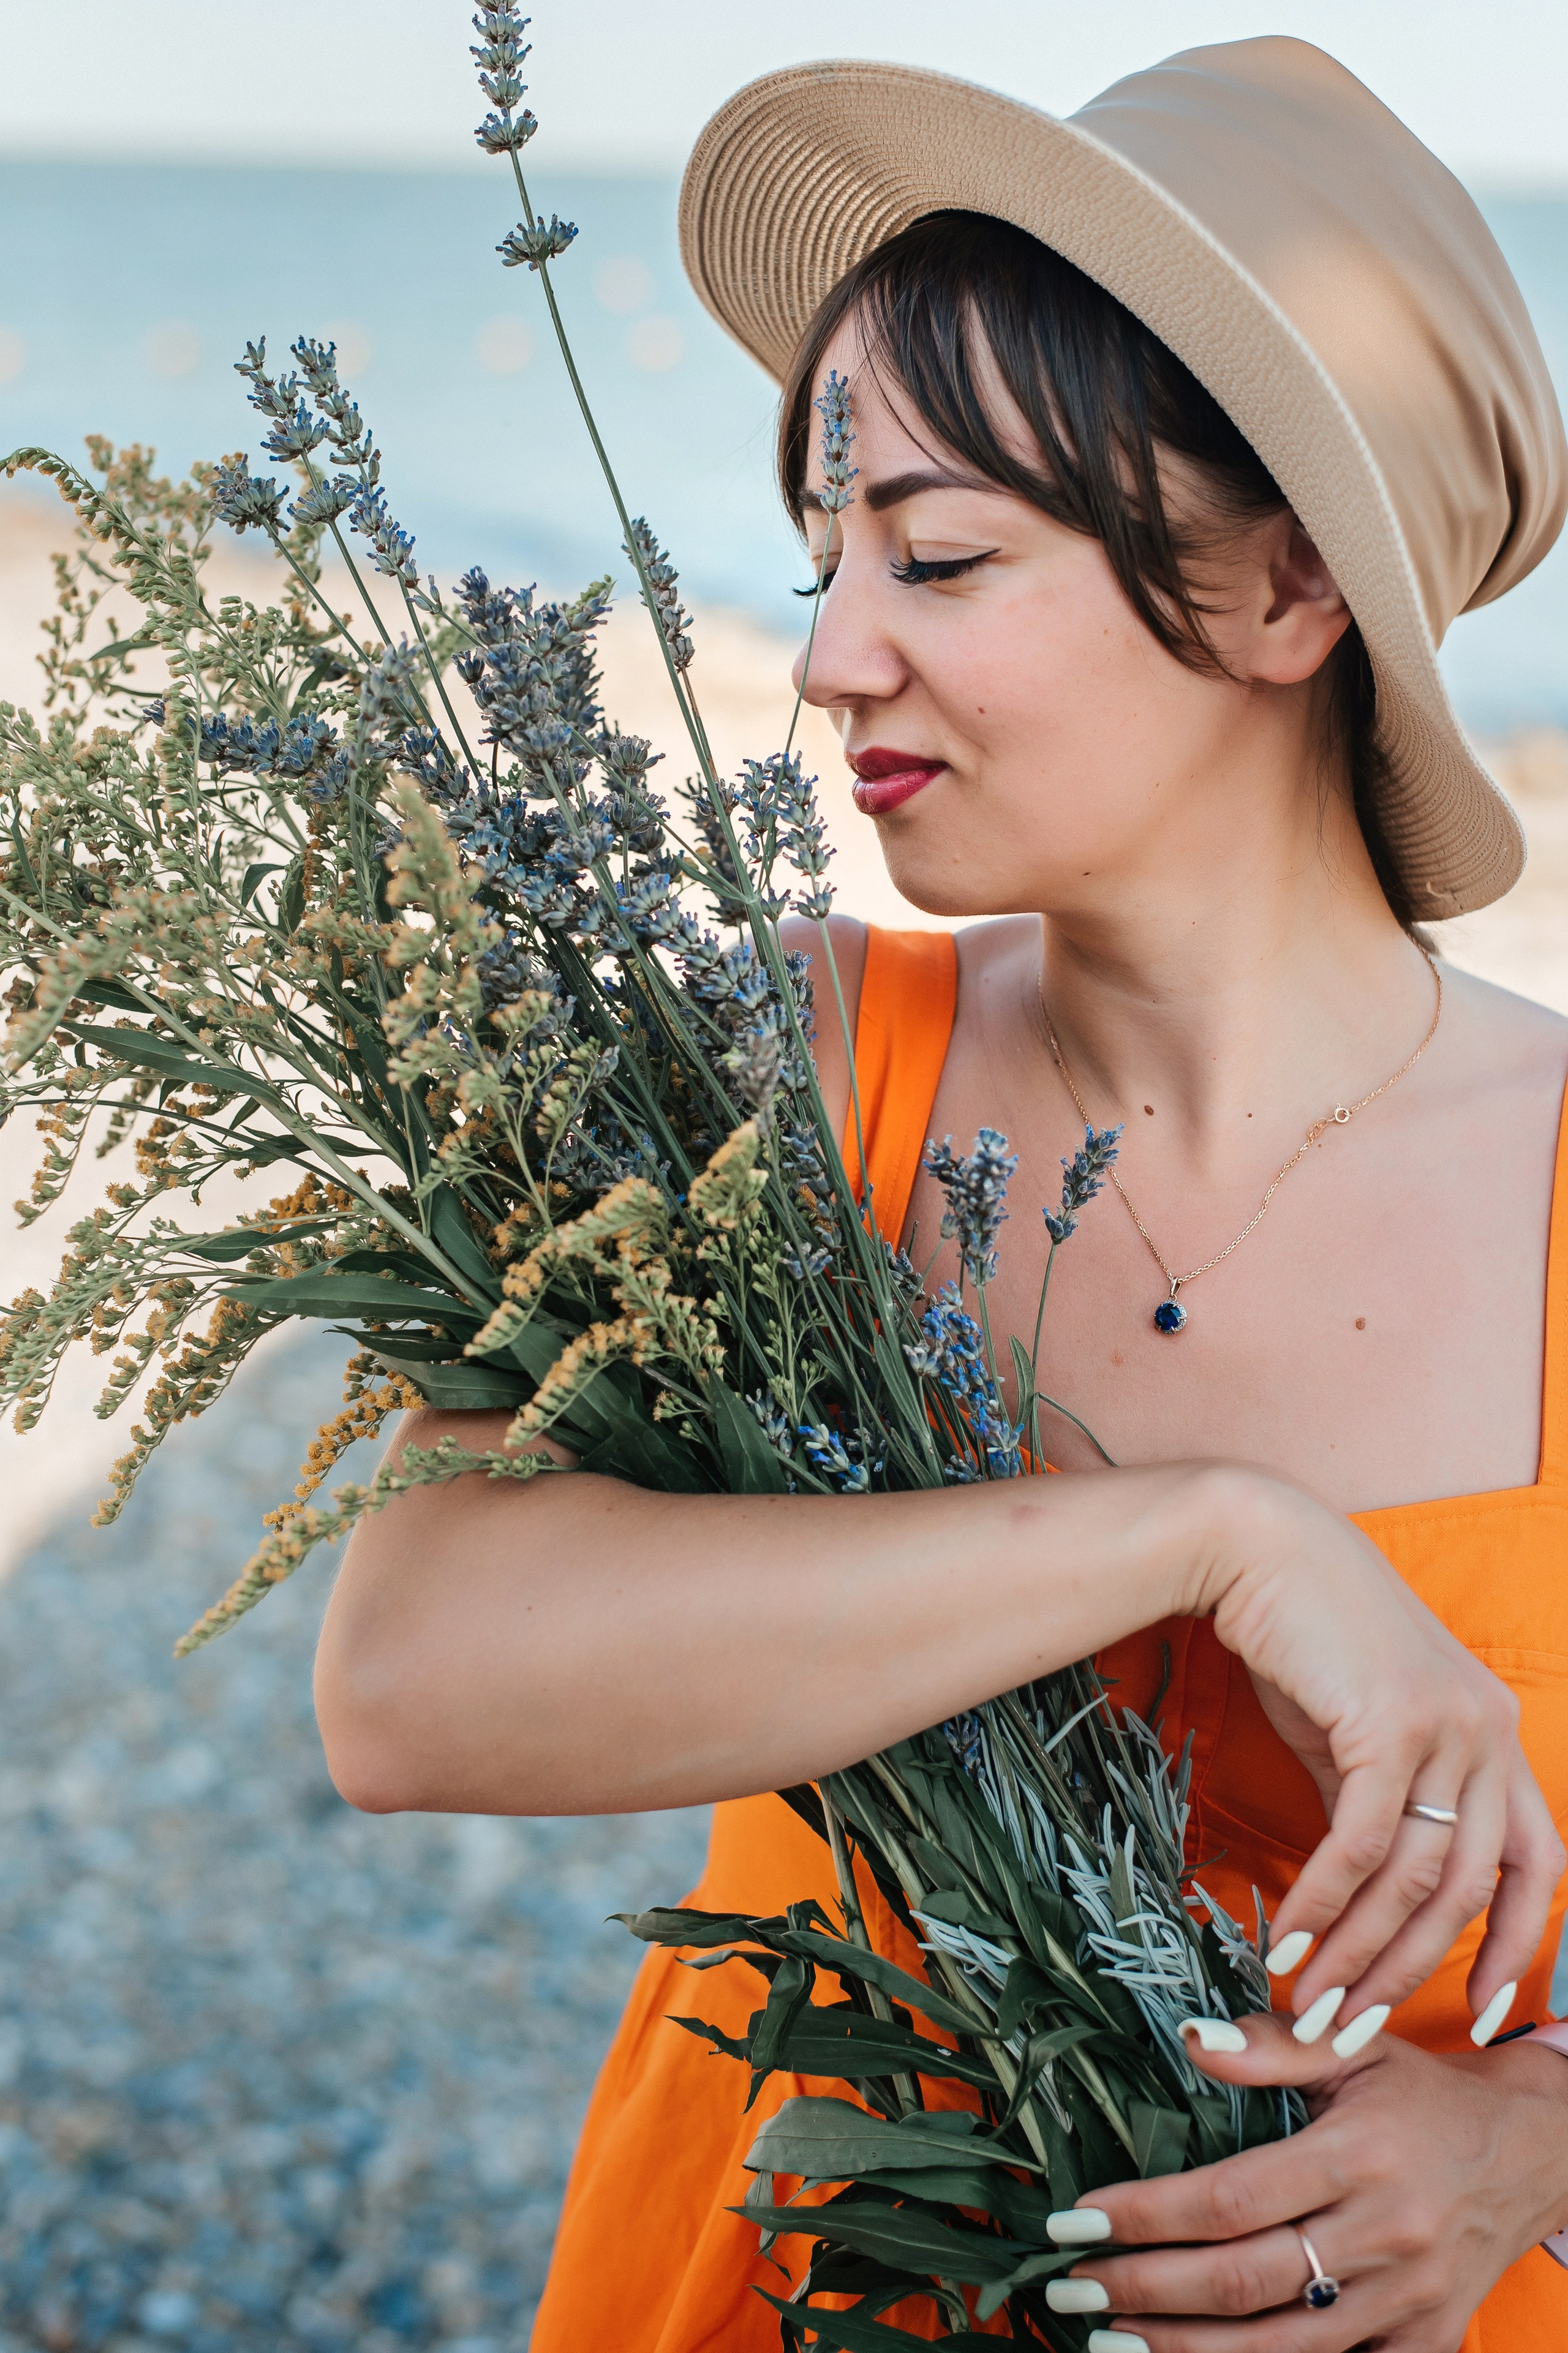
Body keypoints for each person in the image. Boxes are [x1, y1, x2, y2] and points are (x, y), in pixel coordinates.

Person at [314, 36, 1568, 2352]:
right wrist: (1216, 1532)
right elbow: (405, 1683)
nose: (828, 658)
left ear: (1293, 585)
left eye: (942, 554)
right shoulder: (770, 1067)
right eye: (824, 555)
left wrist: (1539, 2135)